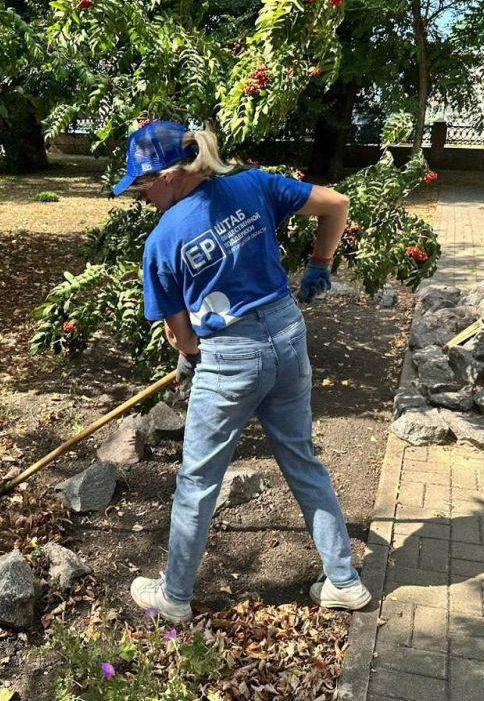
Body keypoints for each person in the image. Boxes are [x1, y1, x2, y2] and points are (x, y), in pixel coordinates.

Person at [112, 120, 370, 623]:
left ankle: (175, 597)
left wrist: (190, 361)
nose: (140, 196)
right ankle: (344, 581)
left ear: (168, 174)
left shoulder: (163, 241)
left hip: (231, 355)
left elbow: (179, 336)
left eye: (141, 184)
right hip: (287, 335)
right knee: (301, 459)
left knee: (198, 480)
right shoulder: (253, 184)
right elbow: (336, 205)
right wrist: (321, 262)